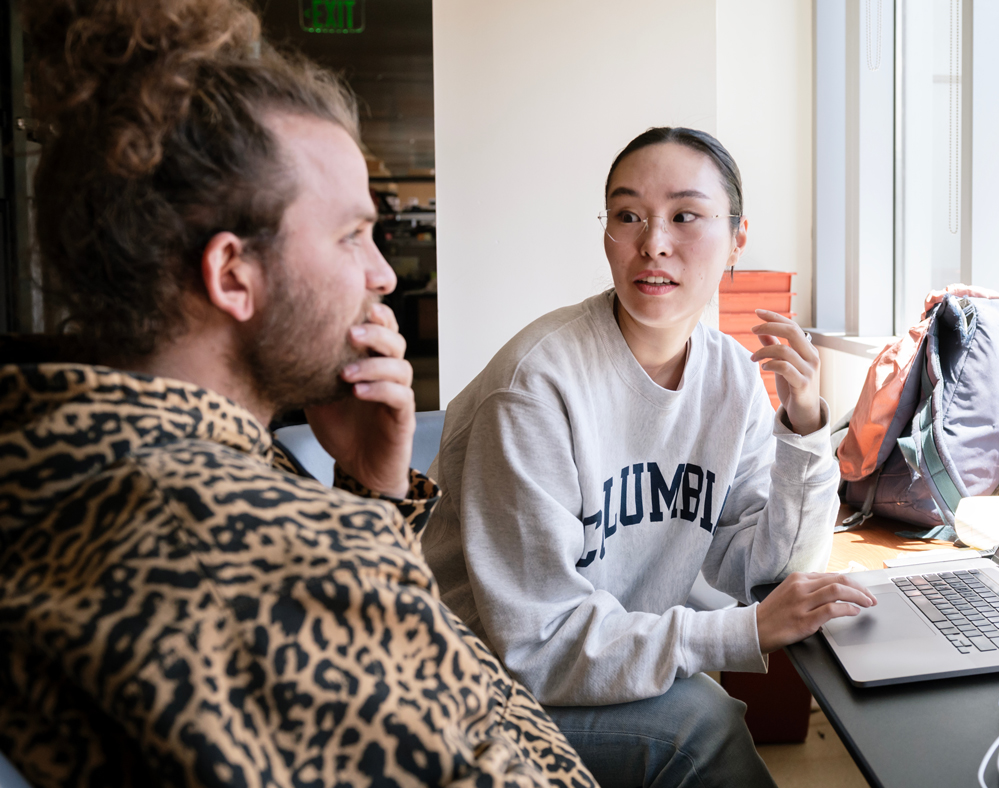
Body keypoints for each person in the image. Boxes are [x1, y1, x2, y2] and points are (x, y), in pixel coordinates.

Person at [0, 1, 594, 786]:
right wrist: (353, 537)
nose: (383, 274)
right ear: (232, 275)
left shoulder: (81, 456)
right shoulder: (240, 546)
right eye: (352, 234)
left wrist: (371, 498)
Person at [422, 127, 877, 788]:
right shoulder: (536, 388)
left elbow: (772, 568)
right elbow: (535, 644)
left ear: (737, 239)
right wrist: (737, 634)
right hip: (473, 690)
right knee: (701, 725)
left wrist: (805, 427)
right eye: (628, 215)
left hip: (582, 662)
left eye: (685, 216)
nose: (653, 242)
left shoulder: (731, 377)